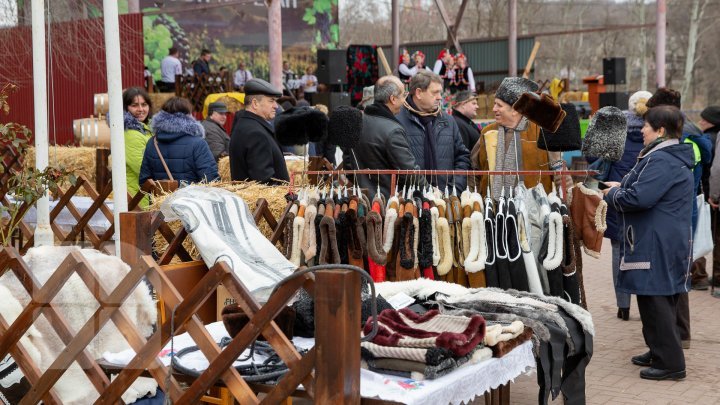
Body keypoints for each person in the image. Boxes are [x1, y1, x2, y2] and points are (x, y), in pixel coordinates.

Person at [601, 105, 693, 381]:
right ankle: (658, 350)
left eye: (646, 126)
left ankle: (671, 363)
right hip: (658, 237)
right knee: (651, 296)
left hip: (658, 241)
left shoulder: (662, 160)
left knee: (657, 298)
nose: (641, 130)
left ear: (661, 130)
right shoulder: (662, 157)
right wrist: (621, 187)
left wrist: (614, 194)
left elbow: (639, 198)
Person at [604, 90, 652, 320]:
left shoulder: (617, 129)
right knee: (645, 250)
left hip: (617, 196)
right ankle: (646, 301)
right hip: (644, 197)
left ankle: (623, 305)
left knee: (617, 249)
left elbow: (602, 158)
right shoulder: (655, 132)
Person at [343, 76, 426, 199]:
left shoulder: (355, 123)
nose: (405, 100)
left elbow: (348, 165)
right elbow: (409, 173)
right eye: (403, 95)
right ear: (393, 99)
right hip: (387, 204)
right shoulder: (393, 130)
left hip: (360, 200)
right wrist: (430, 192)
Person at [469, 77, 553, 198]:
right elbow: (473, 171)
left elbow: (560, 172)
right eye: (494, 104)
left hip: (534, 209)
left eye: (499, 105)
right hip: (493, 210)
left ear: (515, 109)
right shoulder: (487, 133)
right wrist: (474, 201)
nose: (494, 109)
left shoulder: (540, 132)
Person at [396, 70, 470, 192]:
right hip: (411, 201)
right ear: (419, 93)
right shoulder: (398, 121)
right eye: (435, 93)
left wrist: (454, 189)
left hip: (446, 200)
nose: (440, 97)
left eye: (440, 92)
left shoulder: (448, 121)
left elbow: (462, 157)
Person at [140, 97, 219, 185]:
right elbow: (211, 180)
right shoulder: (198, 143)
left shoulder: (152, 142)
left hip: (161, 198)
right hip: (191, 198)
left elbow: (144, 181)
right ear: (189, 115)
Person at [229, 78, 289, 184]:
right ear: (255, 103)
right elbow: (264, 183)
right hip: (265, 200)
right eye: (271, 101)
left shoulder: (246, 125)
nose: (276, 106)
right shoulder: (255, 133)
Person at [122, 87, 154, 208]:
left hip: (145, 194)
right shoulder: (131, 134)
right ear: (126, 108)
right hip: (137, 196)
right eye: (135, 105)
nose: (141, 109)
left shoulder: (147, 130)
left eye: (144, 104)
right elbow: (141, 168)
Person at [700, 106, 720, 289]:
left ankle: (712, 276)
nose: (700, 121)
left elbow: (715, 169)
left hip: (710, 192)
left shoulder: (709, 139)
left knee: (711, 234)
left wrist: (713, 195)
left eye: (704, 119)